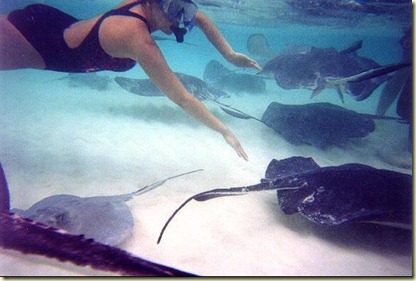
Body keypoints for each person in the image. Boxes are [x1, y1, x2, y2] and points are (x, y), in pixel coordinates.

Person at [0, 0, 262, 161]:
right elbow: (182, 97)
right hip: (38, 45)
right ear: (152, 2)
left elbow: (202, 19)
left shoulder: (166, 9)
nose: (179, 17)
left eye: (185, 8)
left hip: (58, 25)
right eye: (173, 8)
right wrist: (223, 130)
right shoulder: (135, 37)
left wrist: (229, 54)